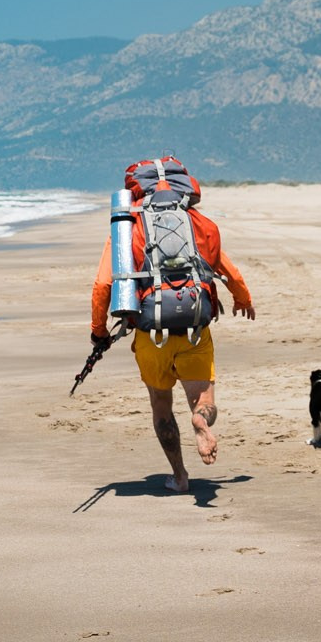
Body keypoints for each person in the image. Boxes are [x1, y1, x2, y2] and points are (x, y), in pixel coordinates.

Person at [87, 157, 254, 493]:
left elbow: (103, 285)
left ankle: (179, 476)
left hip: (152, 336)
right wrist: (242, 299)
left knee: (161, 404)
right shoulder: (201, 225)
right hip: (195, 330)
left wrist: (99, 331)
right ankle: (200, 420)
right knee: (203, 399)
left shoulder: (126, 229)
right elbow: (228, 270)